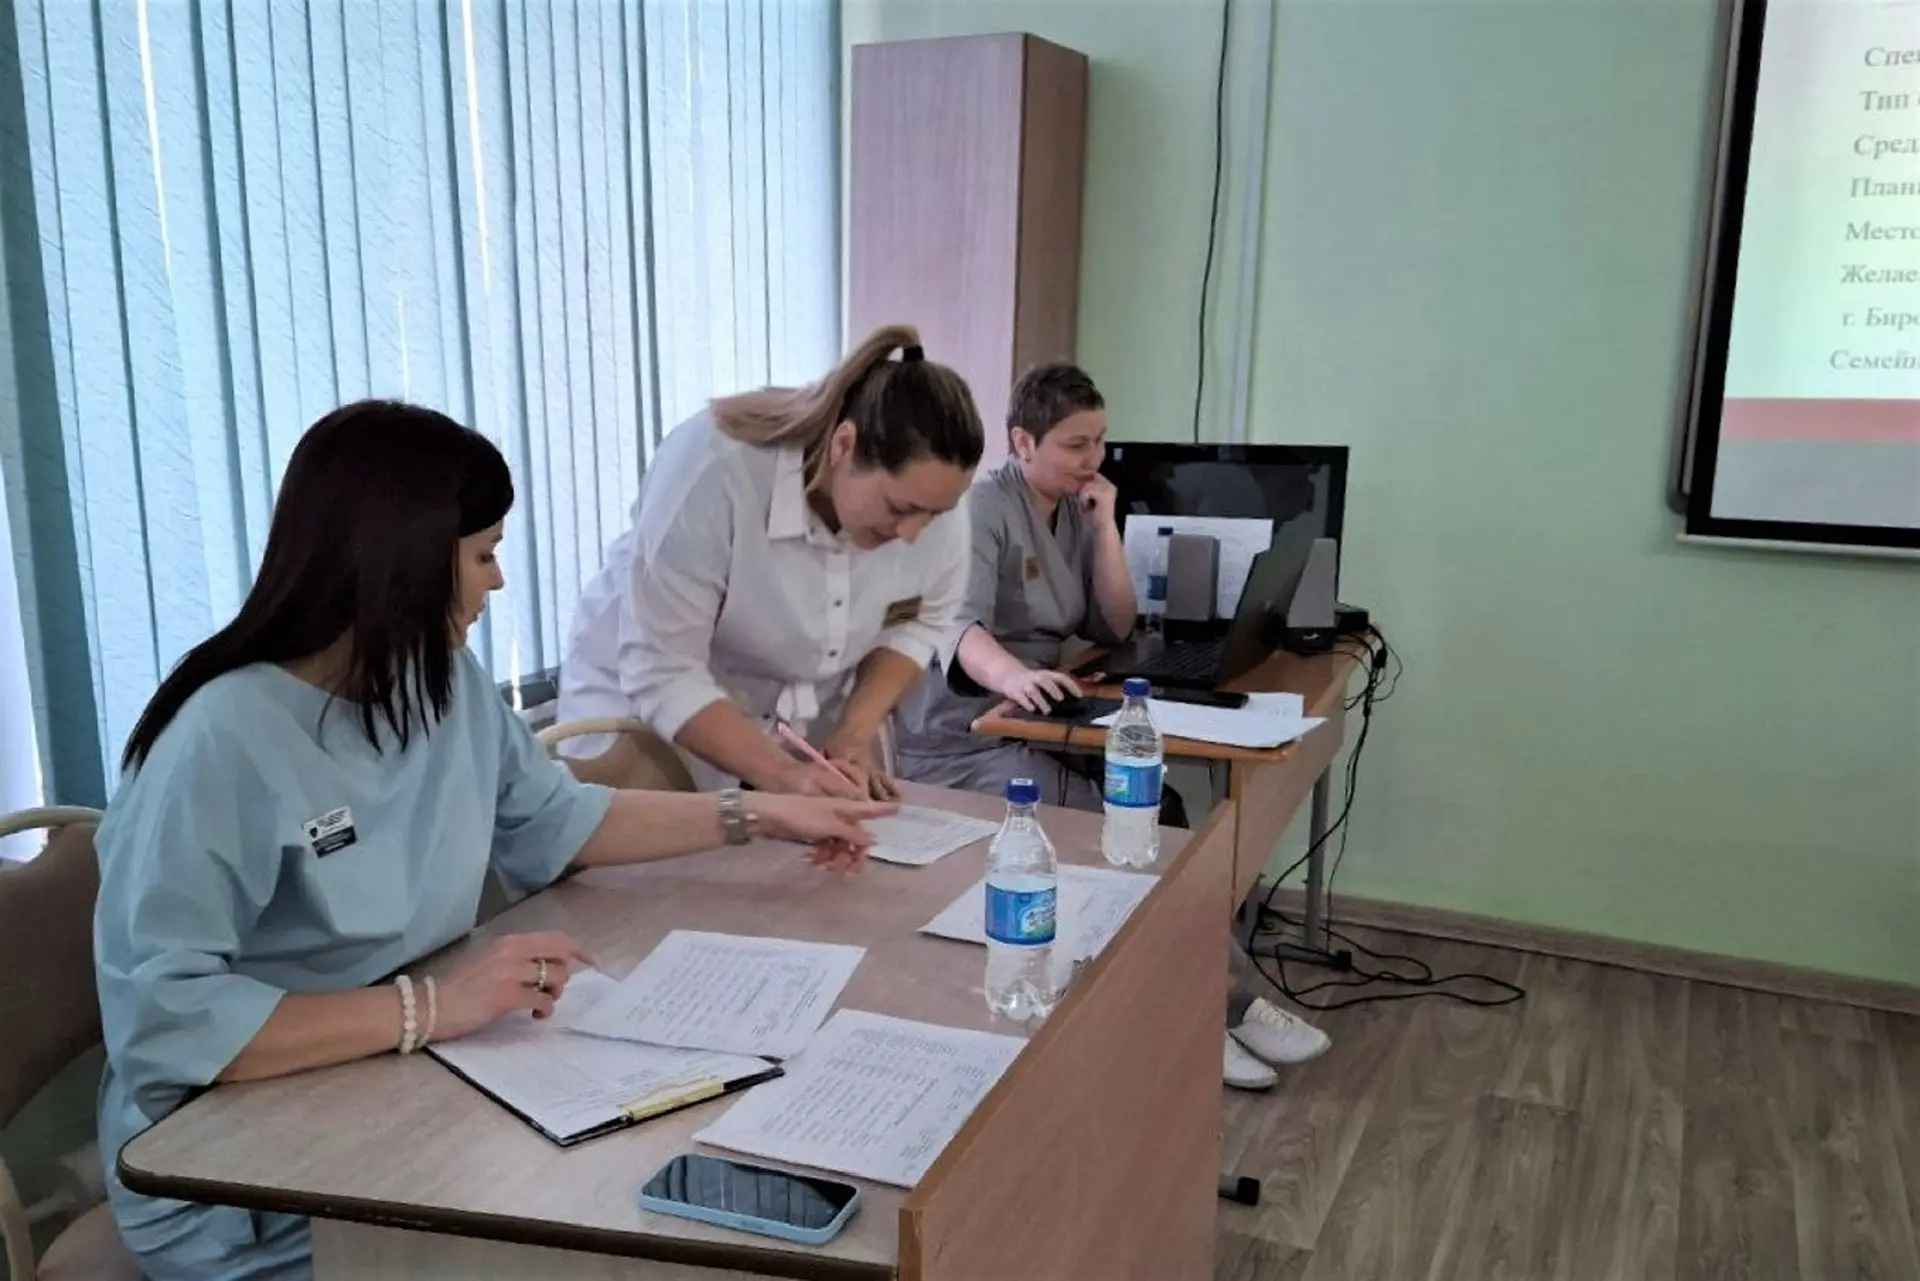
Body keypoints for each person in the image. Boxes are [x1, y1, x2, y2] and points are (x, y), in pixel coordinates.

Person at [92, 402, 894, 1281]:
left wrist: (758, 812)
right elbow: (166, 1019)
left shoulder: (436, 682)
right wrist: (431, 1007)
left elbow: (557, 818)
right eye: (483, 554)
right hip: (241, 1174)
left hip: (402, 1087)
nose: (499, 580)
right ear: (401, 559)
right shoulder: (220, 741)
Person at [891, 363, 1329, 1089]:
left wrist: (1104, 526)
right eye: (1075, 444)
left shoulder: (1073, 508)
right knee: (1114, 823)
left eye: (1099, 441)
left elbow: (1116, 623)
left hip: (1035, 716)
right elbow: (954, 625)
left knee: (1161, 808)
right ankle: (1206, 1008)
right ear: (1022, 441)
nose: (1092, 458)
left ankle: (1211, 998)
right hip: (965, 734)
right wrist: (1015, 676)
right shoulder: (981, 508)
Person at [558, 323, 985, 801]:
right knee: (660, 841)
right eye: (899, 509)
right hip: (646, 711)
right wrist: (784, 777)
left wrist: (854, 731)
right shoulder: (715, 470)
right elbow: (664, 671)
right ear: (843, 445)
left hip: (789, 726)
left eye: (935, 516)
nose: (913, 534)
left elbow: (916, 625)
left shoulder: (933, 498)